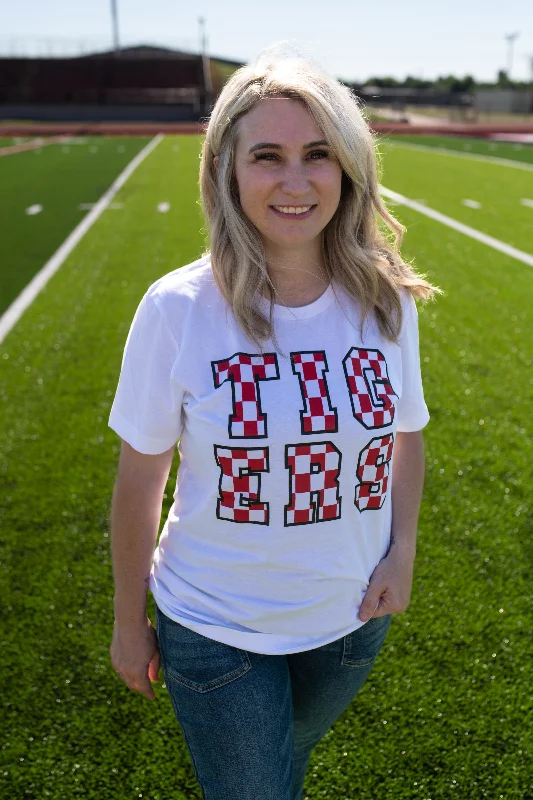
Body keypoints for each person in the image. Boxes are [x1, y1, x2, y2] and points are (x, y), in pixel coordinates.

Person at [108, 48, 440, 800]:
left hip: (353, 620)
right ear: (226, 167)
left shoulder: (385, 303)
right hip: (216, 627)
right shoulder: (177, 309)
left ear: (348, 166)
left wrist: (403, 552)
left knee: (282, 767)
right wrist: (129, 622)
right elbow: (138, 483)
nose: (296, 182)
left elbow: (404, 435)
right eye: (268, 156)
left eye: (317, 155)